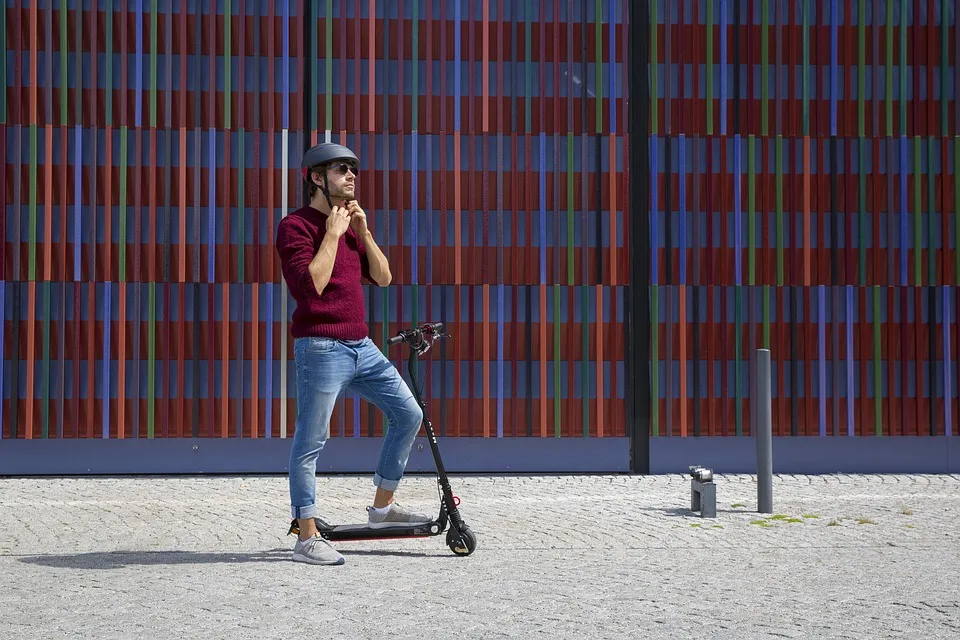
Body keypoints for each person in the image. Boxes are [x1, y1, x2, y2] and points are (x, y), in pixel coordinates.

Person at [275, 141, 431, 566]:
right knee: (311, 441)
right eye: (341, 169)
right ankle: (306, 537)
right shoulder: (296, 227)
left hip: (361, 345)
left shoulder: (351, 227)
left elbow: (383, 277)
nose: (351, 176)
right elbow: (311, 287)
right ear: (315, 177)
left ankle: (382, 509)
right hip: (321, 348)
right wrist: (331, 234)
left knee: (409, 413)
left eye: (353, 170)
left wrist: (363, 233)